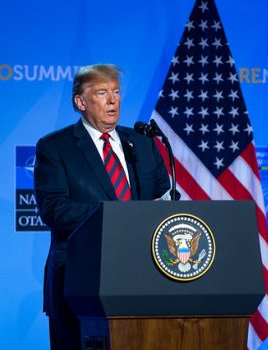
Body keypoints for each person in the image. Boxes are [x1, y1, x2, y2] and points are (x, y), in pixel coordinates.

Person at [34, 64, 174, 350]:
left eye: (116, 92)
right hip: (80, 279)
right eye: (101, 92)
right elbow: (54, 209)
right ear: (80, 102)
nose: (112, 100)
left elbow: (164, 197)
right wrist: (115, 217)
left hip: (145, 276)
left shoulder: (143, 143)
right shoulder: (55, 147)